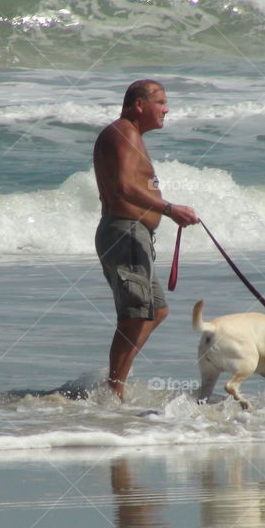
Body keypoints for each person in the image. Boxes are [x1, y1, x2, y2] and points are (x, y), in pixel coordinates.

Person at [93, 80, 199, 400]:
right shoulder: (124, 132)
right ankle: (114, 391)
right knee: (133, 315)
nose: (167, 109)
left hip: (133, 234)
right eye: (161, 102)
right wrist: (169, 209)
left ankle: (115, 382)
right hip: (124, 231)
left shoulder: (131, 135)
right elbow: (125, 186)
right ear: (140, 105)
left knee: (157, 310)